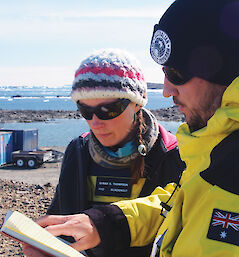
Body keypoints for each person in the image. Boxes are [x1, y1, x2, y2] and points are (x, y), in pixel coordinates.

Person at [24, 0, 239, 256]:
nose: (166, 91)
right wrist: (106, 223)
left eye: (175, 74)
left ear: (222, 71)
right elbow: (184, 202)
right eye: (85, 110)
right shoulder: (221, 147)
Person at [23, 48, 185, 257]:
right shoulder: (78, 150)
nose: (95, 123)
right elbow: (61, 217)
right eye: (86, 111)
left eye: (108, 110)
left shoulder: (173, 154)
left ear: (137, 102)